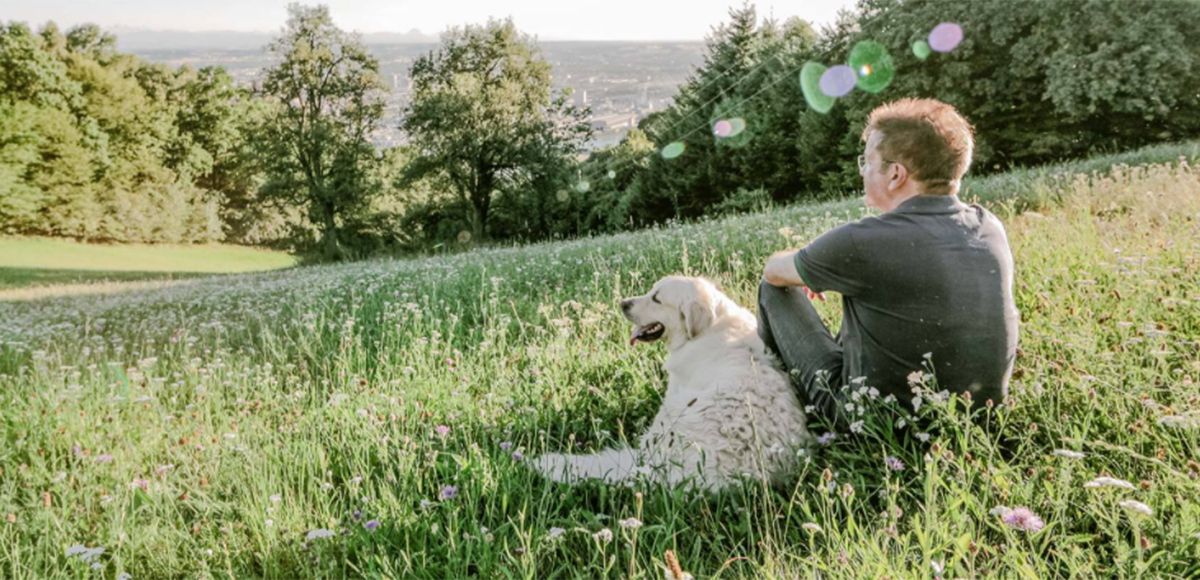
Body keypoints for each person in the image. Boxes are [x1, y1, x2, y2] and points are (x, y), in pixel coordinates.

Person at [758, 97, 1018, 427]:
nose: (863, 170)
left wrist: (809, 265)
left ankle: (778, 406)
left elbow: (774, 272)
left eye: (867, 162)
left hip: (873, 422)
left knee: (772, 289)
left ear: (895, 174)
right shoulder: (988, 225)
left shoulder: (862, 241)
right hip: (975, 417)